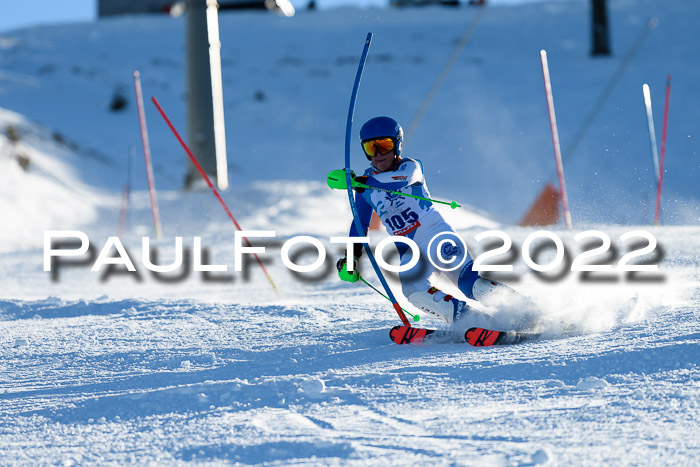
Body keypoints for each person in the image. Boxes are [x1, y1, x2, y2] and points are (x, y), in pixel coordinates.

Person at [334, 116, 528, 329]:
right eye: (371, 147)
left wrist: (361, 182)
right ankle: (475, 323)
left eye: (384, 145)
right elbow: (360, 223)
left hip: (436, 235)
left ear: (397, 144)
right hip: (410, 252)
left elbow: (402, 181)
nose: (378, 154)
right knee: (414, 292)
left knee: (471, 285)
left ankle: (526, 312)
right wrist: (351, 258)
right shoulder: (364, 186)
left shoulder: (411, 167)